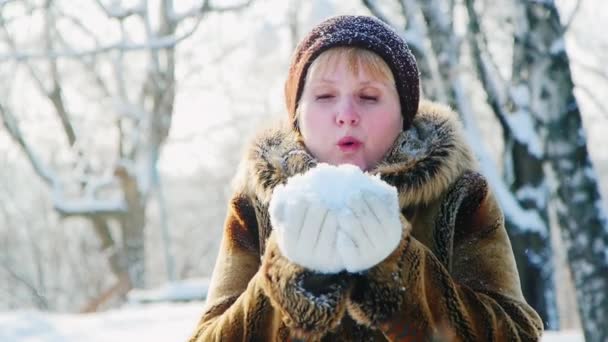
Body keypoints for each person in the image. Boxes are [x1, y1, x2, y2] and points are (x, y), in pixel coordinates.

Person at [189, 15, 543, 341]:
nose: (346, 115)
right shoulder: (257, 206)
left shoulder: (458, 197)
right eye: (325, 96)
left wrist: (402, 273)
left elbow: (515, 333)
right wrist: (286, 281)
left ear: (404, 115)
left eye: (369, 96)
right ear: (297, 115)